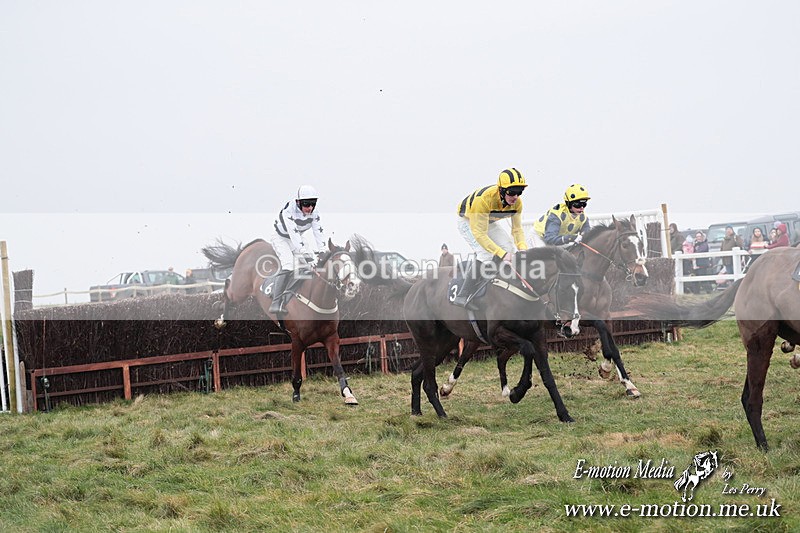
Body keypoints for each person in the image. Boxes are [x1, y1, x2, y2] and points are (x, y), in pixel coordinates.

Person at [452, 168, 528, 308]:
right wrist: (501, 254)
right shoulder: (483, 200)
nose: (516, 197)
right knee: (485, 253)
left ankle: (494, 276)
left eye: (519, 192)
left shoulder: (518, 203)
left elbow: (517, 229)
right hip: (468, 220)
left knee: (509, 247)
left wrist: (523, 249)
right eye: (512, 192)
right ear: (501, 190)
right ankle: (463, 295)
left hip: (488, 221)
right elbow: (480, 234)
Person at [269, 185, 327, 314]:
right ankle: (276, 302)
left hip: (297, 239)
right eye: (307, 204)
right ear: (298, 202)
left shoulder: (314, 213)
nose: (310, 208)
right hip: (281, 238)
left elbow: (318, 232)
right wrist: (307, 257)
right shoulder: (289, 210)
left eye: (313, 204)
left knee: (316, 266)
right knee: (289, 264)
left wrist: (323, 251)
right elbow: (294, 235)